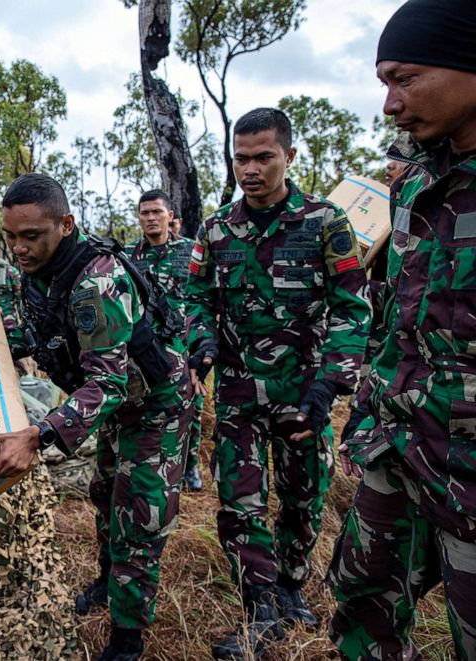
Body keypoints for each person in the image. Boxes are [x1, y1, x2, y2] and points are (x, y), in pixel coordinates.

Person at [0, 174, 194, 661]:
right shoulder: (39, 274)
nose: (18, 248)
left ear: (67, 225)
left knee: (139, 516)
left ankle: (127, 637)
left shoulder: (97, 280)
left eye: (31, 236)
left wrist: (39, 434)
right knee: (104, 493)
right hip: (112, 402)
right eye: (11, 236)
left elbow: (109, 383)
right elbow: (38, 337)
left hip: (155, 403)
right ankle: (106, 581)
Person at [184, 108, 371, 659]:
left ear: (289, 156)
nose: (250, 169)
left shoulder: (326, 222)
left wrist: (327, 388)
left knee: (301, 498)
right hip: (240, 394)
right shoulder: (216, 229)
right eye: (240, 158)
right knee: (240, 503)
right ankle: (260, 602)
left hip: (304, 394)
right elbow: (195, 299)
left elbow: (353, 309)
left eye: (263, 156)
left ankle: (292, 584)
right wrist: (204, 342)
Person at [328, 2, 476, 658]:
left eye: (406, 78)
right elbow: (391, 314)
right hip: (398, 450)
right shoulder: (413, 179)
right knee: (363, 612)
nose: (390, 103)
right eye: (383, 81)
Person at [126, 190, 205, 492]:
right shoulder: (130, 256)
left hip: (185, 345)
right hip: (147, 349)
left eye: (157, 212)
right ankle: (154, 464)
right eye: (145, 213)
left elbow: (206, 297)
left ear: (170, 216)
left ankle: (190, 465)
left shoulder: (192, 251)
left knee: (192, 407)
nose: (150, 218)